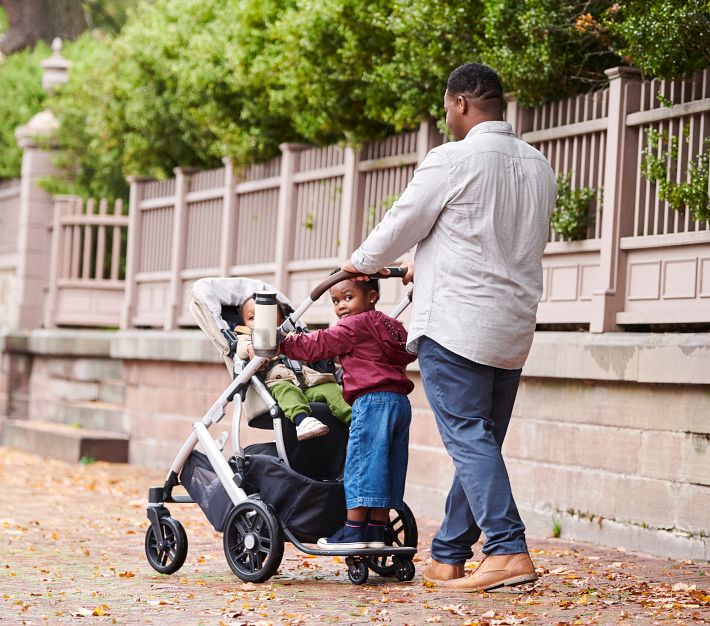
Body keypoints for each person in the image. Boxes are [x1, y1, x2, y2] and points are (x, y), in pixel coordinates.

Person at [341, 62, 557, 591]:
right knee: (479, 441)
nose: (446, 116)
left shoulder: (452, 159)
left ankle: (507, 549)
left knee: (468, 439)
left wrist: (357, 263)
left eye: (446, 107)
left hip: (457, 325)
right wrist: (429, 261)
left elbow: (401, 224)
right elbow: (496, 240)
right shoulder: (538, 165)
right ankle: (449, 555)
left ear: (460, 102)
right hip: (511, 329)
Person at [279, 275, 416, 549]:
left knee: (362, 465)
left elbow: (317, 344)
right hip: (399, 403)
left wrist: (282, 342)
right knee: (389, 465)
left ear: (372, 296)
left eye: (348, 297)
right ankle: (376, 529)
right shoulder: (393, 327)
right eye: (335, 301)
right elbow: (407, 353)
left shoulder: (353, 326)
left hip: (371, 401)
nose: (341, 306)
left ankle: (353, 529)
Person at [237, 295, 351, 441]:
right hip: (280, 382)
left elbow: (311, 349)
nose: (260, 321)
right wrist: (251, 349)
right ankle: (302, 421)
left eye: (267, 315)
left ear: (281, 320)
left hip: (309, 382)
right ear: (244, 323)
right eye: (252, 318)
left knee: (332, 389)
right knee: (287, 391)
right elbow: (241, 347)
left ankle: (354, 421)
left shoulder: (293, 334)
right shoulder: (247, 336)